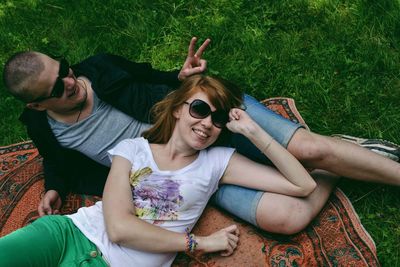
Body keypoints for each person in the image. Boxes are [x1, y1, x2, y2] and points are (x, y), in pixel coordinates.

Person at [2, 37, 400, 235]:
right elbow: (57, 159)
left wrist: (180, 78)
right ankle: (341, 161)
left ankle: (343, 158)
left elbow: (150, 77)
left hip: (204, 115)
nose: (70, 83)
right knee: (286, 217)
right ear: (37, 106)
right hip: (184, 170)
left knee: (310, 148)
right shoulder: (41, 126)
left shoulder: (101, 68)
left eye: (65, 70)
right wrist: (54, 186)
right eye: (55, 90)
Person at [0, 75, 323, 266]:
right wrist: (200, 243)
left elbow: (302, 185)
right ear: (179, 109)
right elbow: (119, 228)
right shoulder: (131, 149)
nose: (207, 123)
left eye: (218, 118)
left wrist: (253, 131)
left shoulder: (219, 161)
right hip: (65, 234)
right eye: (199, 109)